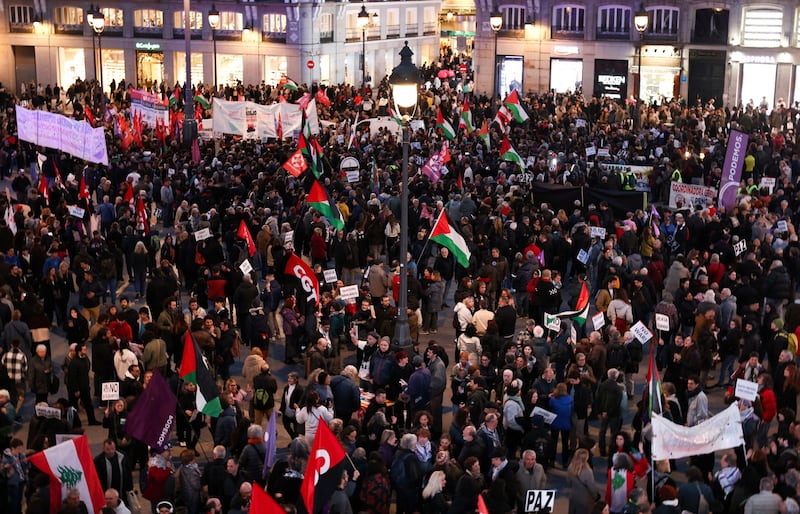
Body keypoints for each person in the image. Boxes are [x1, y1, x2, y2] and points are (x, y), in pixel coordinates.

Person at [568, 449, 600, 514]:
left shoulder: (570, 467)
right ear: (586, 458)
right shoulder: (587, 471)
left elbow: (568, 482)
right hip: (585, 500)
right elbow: (592, 487)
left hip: (573, 497)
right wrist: (596, 496)